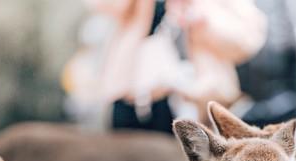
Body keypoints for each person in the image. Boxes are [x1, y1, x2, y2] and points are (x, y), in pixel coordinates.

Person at [85, 0, 267, 133]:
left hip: (194, 100)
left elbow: (248, 39)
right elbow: (102, 5)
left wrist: (204, 18)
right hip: (131, 96)